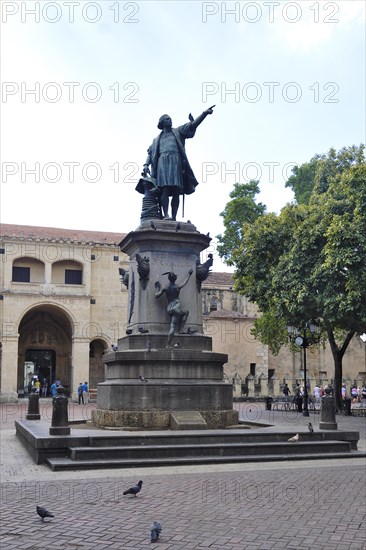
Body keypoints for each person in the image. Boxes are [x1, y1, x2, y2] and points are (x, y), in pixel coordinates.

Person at [141, 106, 215, 221]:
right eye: (167, 119)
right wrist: (146, 165)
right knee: (164, 189)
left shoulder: (178, 131)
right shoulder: (156, 140)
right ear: (161, 123)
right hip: (162, 164)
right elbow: (150, 154)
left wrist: (204, 114)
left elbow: (193, 125)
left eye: (170, 118)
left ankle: (174, 217)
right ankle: (166, 215)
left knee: (176, 190)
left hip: (176, 162)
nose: (170, 120)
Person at [155, 269, 193, 347]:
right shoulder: (177, 287)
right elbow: (185, 282)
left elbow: (157, 295)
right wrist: (189, 274)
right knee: (174, 324)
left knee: (184, 313)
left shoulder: (165, 287)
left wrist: (157, 288)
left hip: (169, 308)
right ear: (175, 279)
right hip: (176, 307)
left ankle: (179, 331)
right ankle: (179, 332)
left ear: (168, 278)